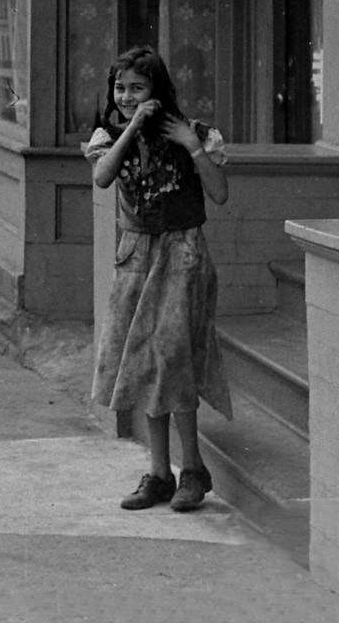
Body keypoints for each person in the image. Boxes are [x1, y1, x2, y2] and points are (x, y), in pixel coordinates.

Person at [84, 44, 231, 513]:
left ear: (158, 89)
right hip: (136, 255)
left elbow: (221, 194)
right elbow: (104, 177)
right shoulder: (108, 135)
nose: (126, 95)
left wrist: (190, 145)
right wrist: (130, 127)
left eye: (138, 87)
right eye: (120, 87)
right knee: (145, 362)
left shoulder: (196, 134)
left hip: (181, 251)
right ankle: (158, 473)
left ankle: (194, 469)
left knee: (175, 355)